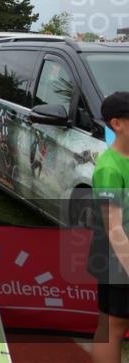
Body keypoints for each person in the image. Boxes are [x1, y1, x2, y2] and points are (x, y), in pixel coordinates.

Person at [91, 91, 129, 363]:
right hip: (119, 257)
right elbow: (114, 228)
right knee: (113, 327)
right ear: (117, 124)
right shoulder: (109, 168)